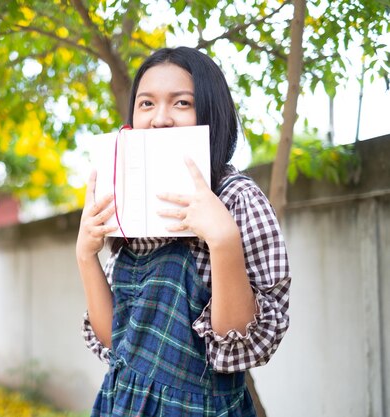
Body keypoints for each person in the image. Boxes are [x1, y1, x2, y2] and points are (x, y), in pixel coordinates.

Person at [76, 46, 291, 416]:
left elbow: (242, 350)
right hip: (121, 403)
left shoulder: (237, 197)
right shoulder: (129, 198)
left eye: (181, 103)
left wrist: (224, 241)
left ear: (211, 112)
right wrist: (85, 255)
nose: (160, 119)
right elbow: (116, 340)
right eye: (146, 104)